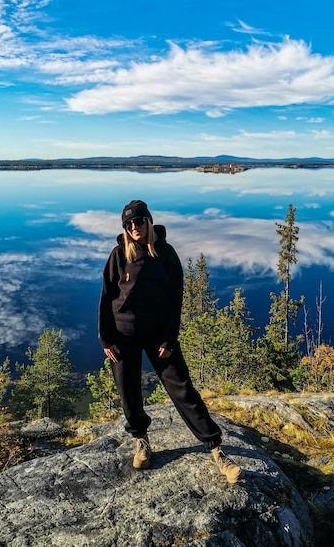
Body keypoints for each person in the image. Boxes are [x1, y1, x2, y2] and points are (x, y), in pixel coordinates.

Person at [98, 199, 242, 484]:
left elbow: (176, 300)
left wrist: (169, 337)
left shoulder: (166, 254)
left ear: (149, 221)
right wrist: (106, 338)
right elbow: (106, 298)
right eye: (128, 224)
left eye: (139, 221)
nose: (134, 227)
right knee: (128, 391)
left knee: (183, 389)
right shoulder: (118, 255)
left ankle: (216, 449)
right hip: (123, 334)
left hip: (157, 335)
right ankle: (141, 439)